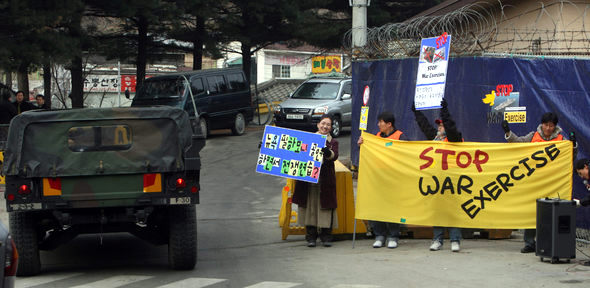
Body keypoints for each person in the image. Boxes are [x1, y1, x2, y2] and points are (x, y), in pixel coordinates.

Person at [502, 112, 577, 253]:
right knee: (532, 211)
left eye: (551, 125)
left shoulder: (561, 140)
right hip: (534, 182)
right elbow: (518, 143)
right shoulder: (532, 137)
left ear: (555, 126)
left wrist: (573, 146)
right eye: (546, 125)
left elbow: (570, 157)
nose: (548, 128)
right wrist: (508, 132)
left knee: (552, 212)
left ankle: (549, 242)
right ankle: (529, 243)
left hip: (554, 182)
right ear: (542, 125)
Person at [412, 98, 462, 252]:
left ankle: (455, 240)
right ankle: (437, 239)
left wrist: (444, 110)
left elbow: (451, 126)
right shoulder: (435, 138)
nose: (439, 127)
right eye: (439, 125)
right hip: (436, 180)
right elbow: (425, 126)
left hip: (452, 180)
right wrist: (417, 111)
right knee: (438, 210)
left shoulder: (454, 138)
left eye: (441, 125)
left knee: (452, 210)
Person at [357, 111, 407, 249]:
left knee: (392, 207)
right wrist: (361, 144)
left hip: (393, 179)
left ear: (389, 124)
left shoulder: (400, 137)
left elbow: (407, 155)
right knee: (376, 205)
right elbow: (367, 153)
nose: (378, 124)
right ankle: (379, 235)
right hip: (377, 179)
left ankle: (393, 235)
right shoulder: (376, 137)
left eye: (381, 122)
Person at [292, 114, 339, 247]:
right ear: (318, 124)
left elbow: (334, 156)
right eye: (323, 123)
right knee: (310, 208)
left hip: (325, 181)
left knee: (325, 207)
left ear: (331, 127)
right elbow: (290, 151)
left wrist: (327, 152)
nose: (325, 126)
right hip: (308, 181)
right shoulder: (307, 139)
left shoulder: (333, 142)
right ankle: (311, 237)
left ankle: (326, 237)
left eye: (328, 125)